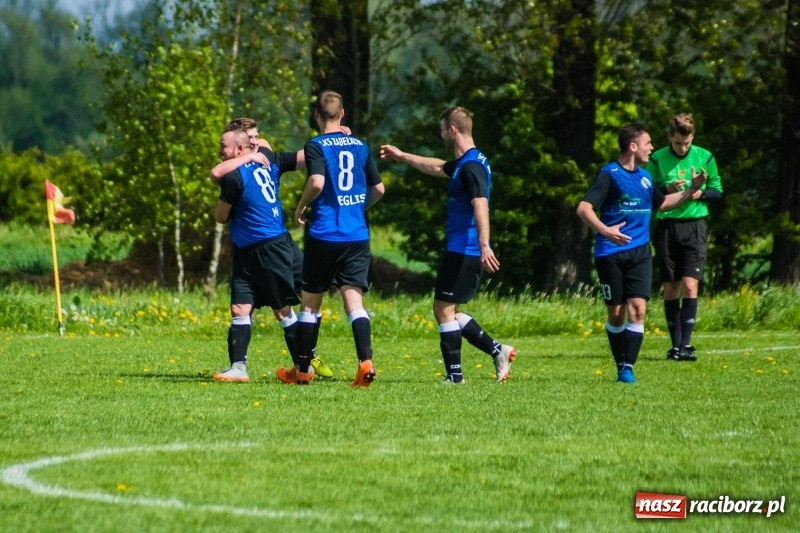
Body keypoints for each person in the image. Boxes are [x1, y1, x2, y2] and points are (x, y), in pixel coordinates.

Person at [380, 106, 516, 384]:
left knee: (443, 309)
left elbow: (481, 204)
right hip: (461, 247)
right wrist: (403, 156)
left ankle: (456, 376)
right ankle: (497, 350)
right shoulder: (468, 162)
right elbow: (437, 166)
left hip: (464, 248)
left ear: (452, 130)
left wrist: (484, 244)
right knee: (449, 310)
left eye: (442, 129)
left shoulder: (472, 166)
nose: (440, 134)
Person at [576, 123, 706, 384]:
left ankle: (627, 368)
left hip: (640, 253)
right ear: (632, 147)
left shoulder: (646, 178)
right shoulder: (608, 174)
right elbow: (583, 208)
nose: (652, 148)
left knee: (638, 309)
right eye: (648, 143)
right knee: (616, 314)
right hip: (610, 253)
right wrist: (605, 230)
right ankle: (620, 362)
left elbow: (664, 203)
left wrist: (692, 190)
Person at [277, 90, 384, 386]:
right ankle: (365, 362)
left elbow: (317, 181)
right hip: (356, 234)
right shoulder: (360, 145)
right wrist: (355, 208)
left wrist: (301, 206)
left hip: (325, 233)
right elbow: (379, 189)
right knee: (354, 301)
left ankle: (302, 371)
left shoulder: (315, 145)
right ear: (343, 114)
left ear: (316, 116)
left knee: (310, 304)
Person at [211, 119, 334, 379]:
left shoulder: (238, 172)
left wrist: (327, 141)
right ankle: (238, 368)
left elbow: (221, 216)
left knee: (283, 310)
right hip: (249, 250)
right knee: (240, 308)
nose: (257, 140)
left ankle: (305, 364)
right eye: (252, 137)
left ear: (239, 147)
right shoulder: (262, 158)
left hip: (268, 247)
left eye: (224, 146)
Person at [647, 113, 723, 362]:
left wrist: (699, 192)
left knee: (691, 285)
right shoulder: (657, 158)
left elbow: (717, 191)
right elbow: (648, 192)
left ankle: (686, 345)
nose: (683, 147)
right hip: (667, 227)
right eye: (679, 143)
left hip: (695, 226)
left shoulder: (705, 157)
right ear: (670, 137)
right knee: (671, 287)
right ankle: (675, 345)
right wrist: (666, 190)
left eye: (687, 143)